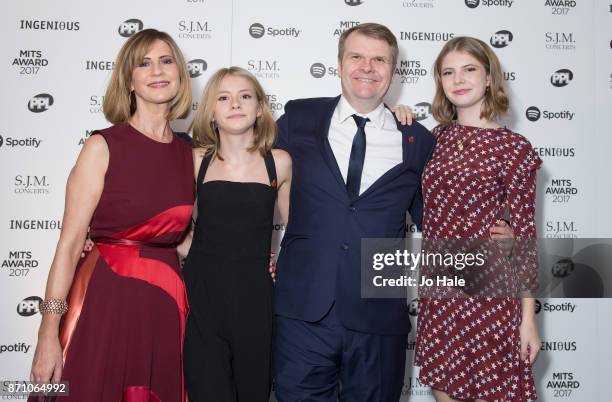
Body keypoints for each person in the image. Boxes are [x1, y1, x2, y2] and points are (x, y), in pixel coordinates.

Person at [272, 23, 512, 401]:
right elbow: (250, 179)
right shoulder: (298, 118)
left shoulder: (417, 140)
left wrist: (499, 238)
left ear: (393, 70)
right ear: (339, 64)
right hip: (303, 310)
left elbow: (441, 220)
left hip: (379, 315)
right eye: (357, 56)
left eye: (379, 59)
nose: (367, 67)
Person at [29, 29, 194, 402]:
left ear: (180, 74)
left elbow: (182, 240)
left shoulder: (190, 156)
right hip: (104, 300)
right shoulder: (102, 145)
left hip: (165, 305)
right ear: (129, 80)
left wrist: (251, 261)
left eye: (166, 61)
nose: (157, 70)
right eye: (144, 63)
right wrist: (47, 333)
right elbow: (70, 245)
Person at [414, 36, 541, 402]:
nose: (458, 79)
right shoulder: (432, 138)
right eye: (448, 72)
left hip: (489, 291)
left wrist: (528, 321)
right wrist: (402, 115)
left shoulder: (514, 148)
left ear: (489, 78)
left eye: (469, 69)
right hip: (439, 289)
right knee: (445, 392)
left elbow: (526, 239)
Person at [181, 66, 292, 402]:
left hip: (256, 296)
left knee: (252, 392)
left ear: (260, 108)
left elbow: (298, 233)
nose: (235, 105)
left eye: (245, 96)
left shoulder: (280, 162)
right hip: (203, 295)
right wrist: (190, 250)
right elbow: (165, 219)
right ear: (211, 112)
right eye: (223, 98)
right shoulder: (195, 160)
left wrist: (282, 264)